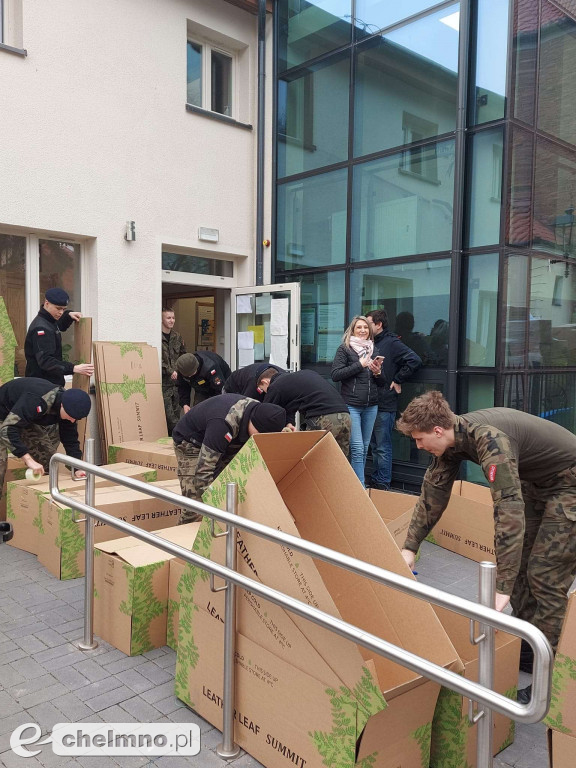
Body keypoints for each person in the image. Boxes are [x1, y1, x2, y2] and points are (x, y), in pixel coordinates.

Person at [396, 390, 576, 702]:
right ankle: (534, 648)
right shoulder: (450, 444)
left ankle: (553, 680)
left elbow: (508, 512)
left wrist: (501, 586)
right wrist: (410, 547)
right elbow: (432, 494)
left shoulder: (491, 441)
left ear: (438, 430)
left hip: (570, 483)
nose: (418, 446)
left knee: (544, 575)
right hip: (538, 482)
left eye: (420, 439)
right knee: (520, 569)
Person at [172, 394, 287, 523]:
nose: (260, 440)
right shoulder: (223, 423)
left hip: (224, 442)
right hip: (190, 443)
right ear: (255, 424)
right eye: (260, 435)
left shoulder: (261, 413)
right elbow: (203, 471)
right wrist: (215, 505)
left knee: (234, 490)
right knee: (195, 507)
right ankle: (182, 537)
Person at [366, 309, 421, 490]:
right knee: (373, 445)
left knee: (382, 445)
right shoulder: (368, 343)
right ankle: (377, 479)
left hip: (384, 402)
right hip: (370, 402)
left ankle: (382, 483)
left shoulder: (391, 343)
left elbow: (414, 359)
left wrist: (397, 379)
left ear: (379, 324)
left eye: (369, 324)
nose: (365, 328)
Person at [0, 377, 92, 487]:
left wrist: (77, 467)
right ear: (62, 405)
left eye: (76, 418)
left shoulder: (70, 409)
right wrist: (28, 459)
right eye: (71, 417)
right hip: (4, 415)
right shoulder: (38, 400)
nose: (73, 420)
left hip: (24, 417)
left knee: (48, 461)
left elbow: (70, 439)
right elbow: (7, 429)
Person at [331, 316, 383, 486]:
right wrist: (359, 365)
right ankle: (360, 487)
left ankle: (353, 484)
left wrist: (377, 373)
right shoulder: (345, 349)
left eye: (366, 327)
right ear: (352, 330)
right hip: (351, 405)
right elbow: (336, 375)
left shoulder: (374, 350)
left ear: (370, 330)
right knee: (357, 448)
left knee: (365, 447)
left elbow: (382, 383)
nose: (362, 330)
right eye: (359, 327)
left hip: (371, 406)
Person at [257, 368, 351, 456]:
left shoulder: (275, 386)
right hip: (345, 416)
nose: (265, 392)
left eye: (262, 389)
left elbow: (266, 414)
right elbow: (289, 407)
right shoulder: (295, 380)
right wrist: (289, 424)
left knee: (311, 461)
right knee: (339, 463)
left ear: (265, 381)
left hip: (325, 418)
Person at [24, 288, 94, 386]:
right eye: (58, 308)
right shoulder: (41, 329)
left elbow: (58, 326)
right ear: (47, 303)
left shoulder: (49, 321)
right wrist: (74, 368)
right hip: (42, 387)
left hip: (48, 384)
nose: (61, 312)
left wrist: (68, 315)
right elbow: (46, 361)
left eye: (63, 309)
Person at [161, 308, 186, 435]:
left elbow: (183, 356)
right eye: (168, 318)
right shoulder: (157, 337)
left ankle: (174, 441)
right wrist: (171, 371)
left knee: (177, 414)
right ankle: (179, 437)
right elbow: (157, 360)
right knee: (170, 418)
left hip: (176, 384)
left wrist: (179, 370)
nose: (172, 321)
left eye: (173, 318)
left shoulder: (177, 337)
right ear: (161, 319)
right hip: (164, 384)